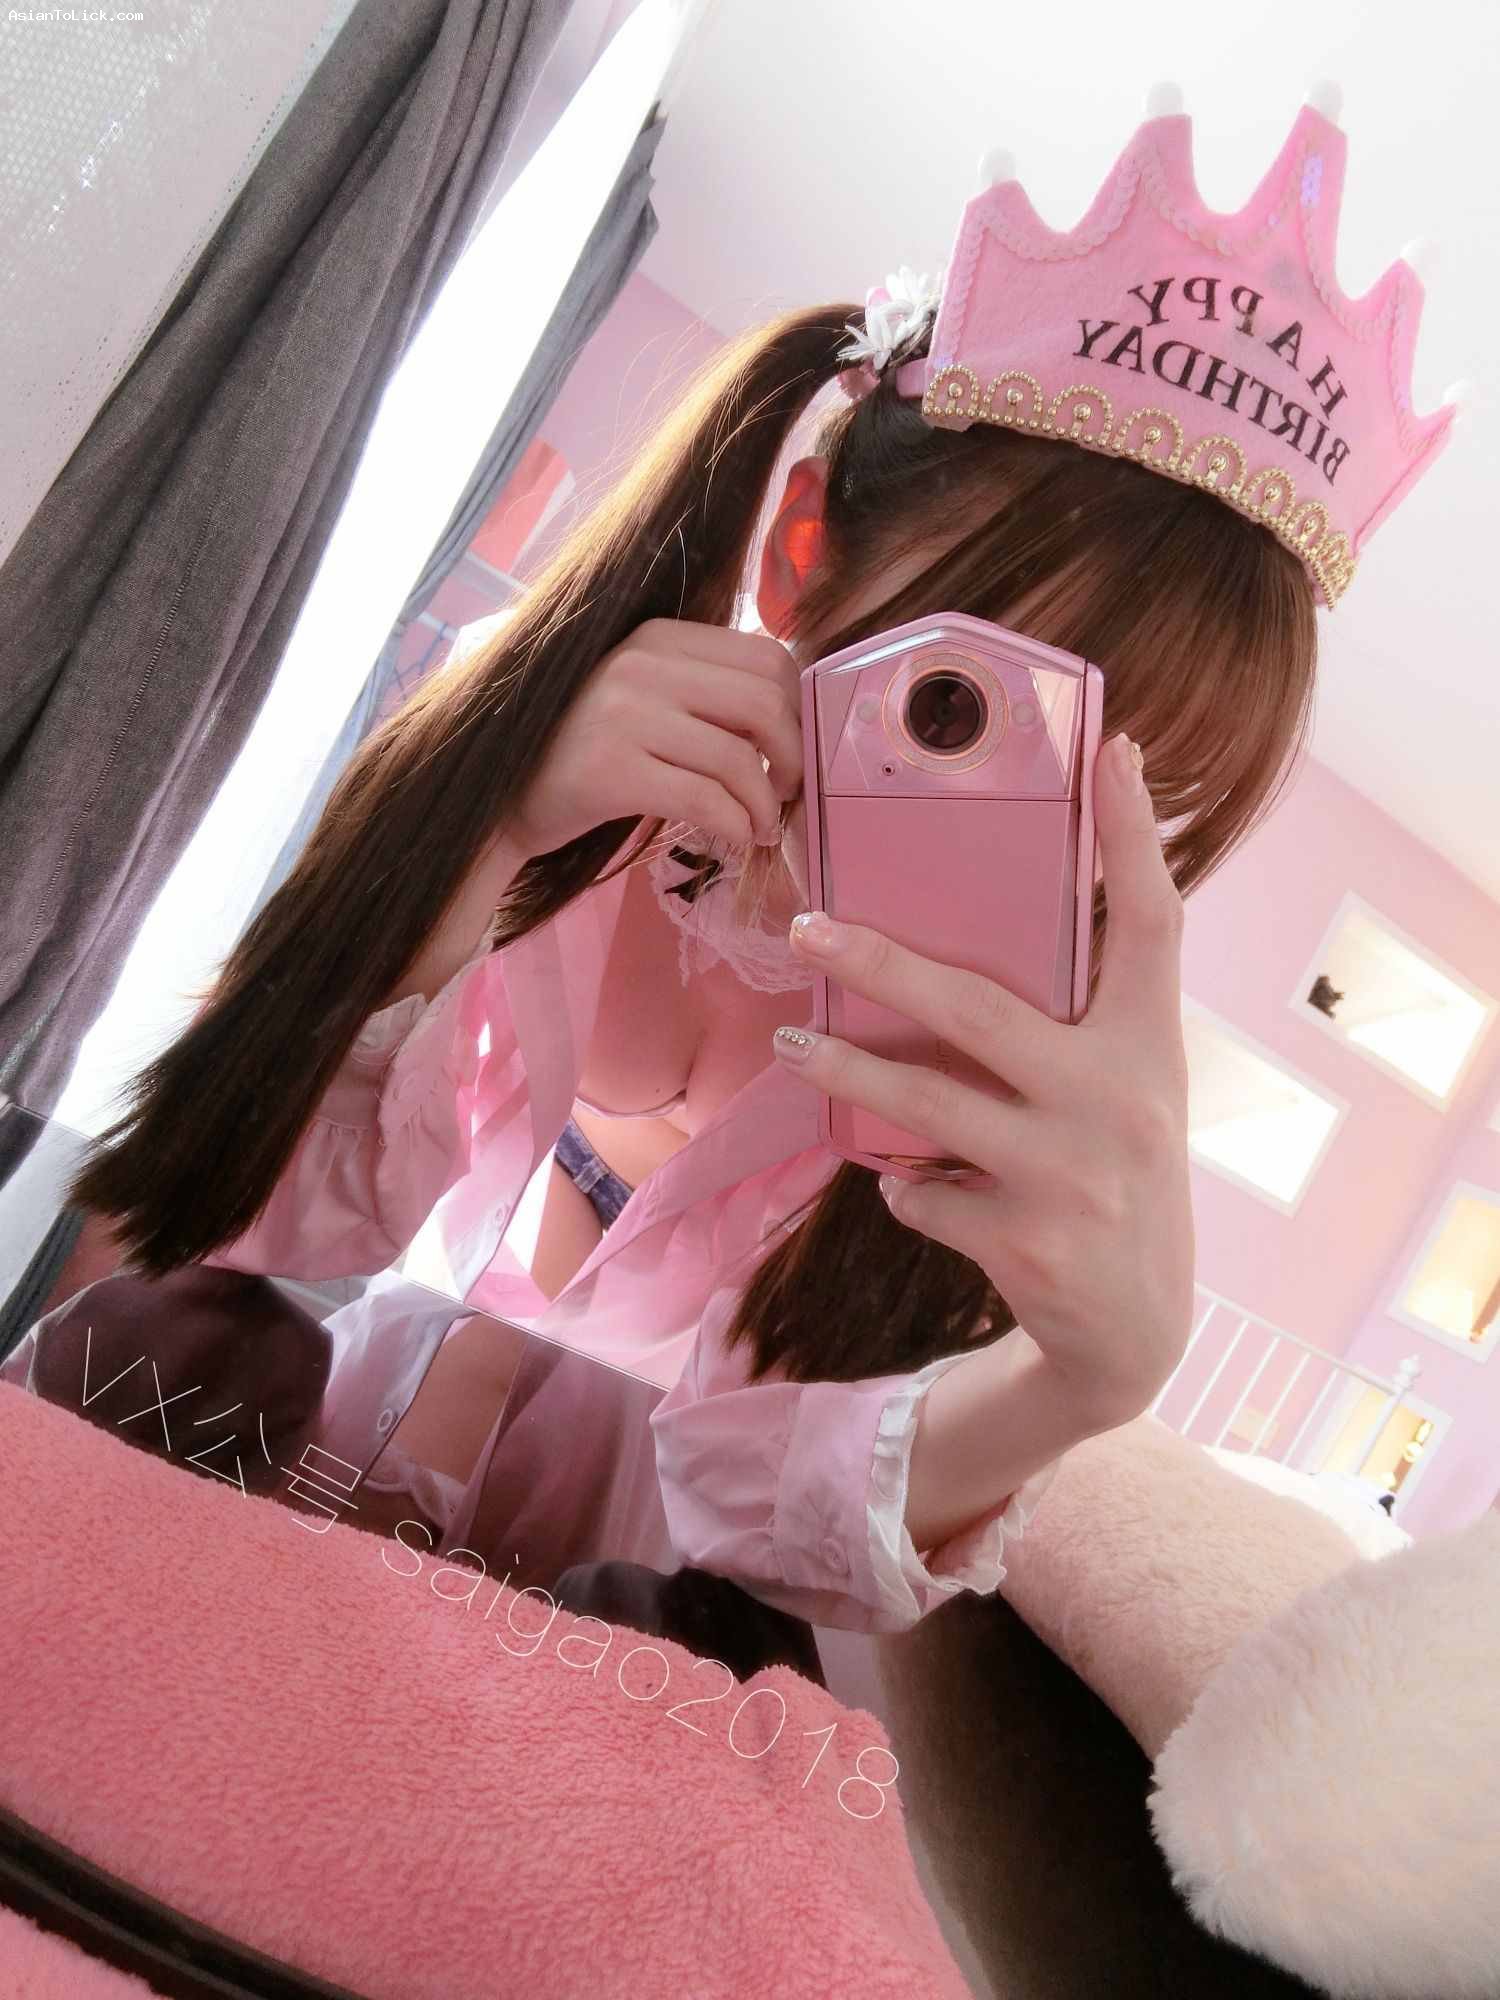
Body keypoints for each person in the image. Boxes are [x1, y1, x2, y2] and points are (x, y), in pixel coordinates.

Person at [65, 89, 1453, 1631]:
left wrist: (1088, 1379)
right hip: (321, 1420)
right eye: (970, 706)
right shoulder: (568, 750)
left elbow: (766, 1540)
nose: (1024, 819)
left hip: (607, 1600)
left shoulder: (1028, 1069)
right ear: (801, 549)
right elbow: (227, 1223)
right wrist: (488, 839)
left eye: (1143, 784)